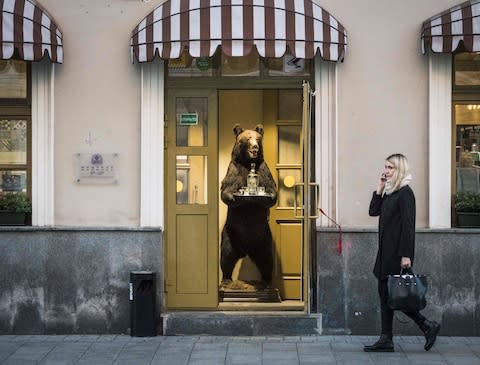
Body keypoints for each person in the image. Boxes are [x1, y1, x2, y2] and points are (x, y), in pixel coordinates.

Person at [364, 153, 440, 352]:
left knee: (395, 295)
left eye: (390, 167)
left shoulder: (406, 193)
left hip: (397, 253)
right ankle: (388, 338)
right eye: (386, 167)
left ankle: (425, 325)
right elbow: (373, 211)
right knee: (386, 294)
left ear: (400, 170)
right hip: (385, 252)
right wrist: (379, 187)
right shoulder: (391, 191)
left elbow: (408, 226)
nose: (386, 171)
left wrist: (406, 255)